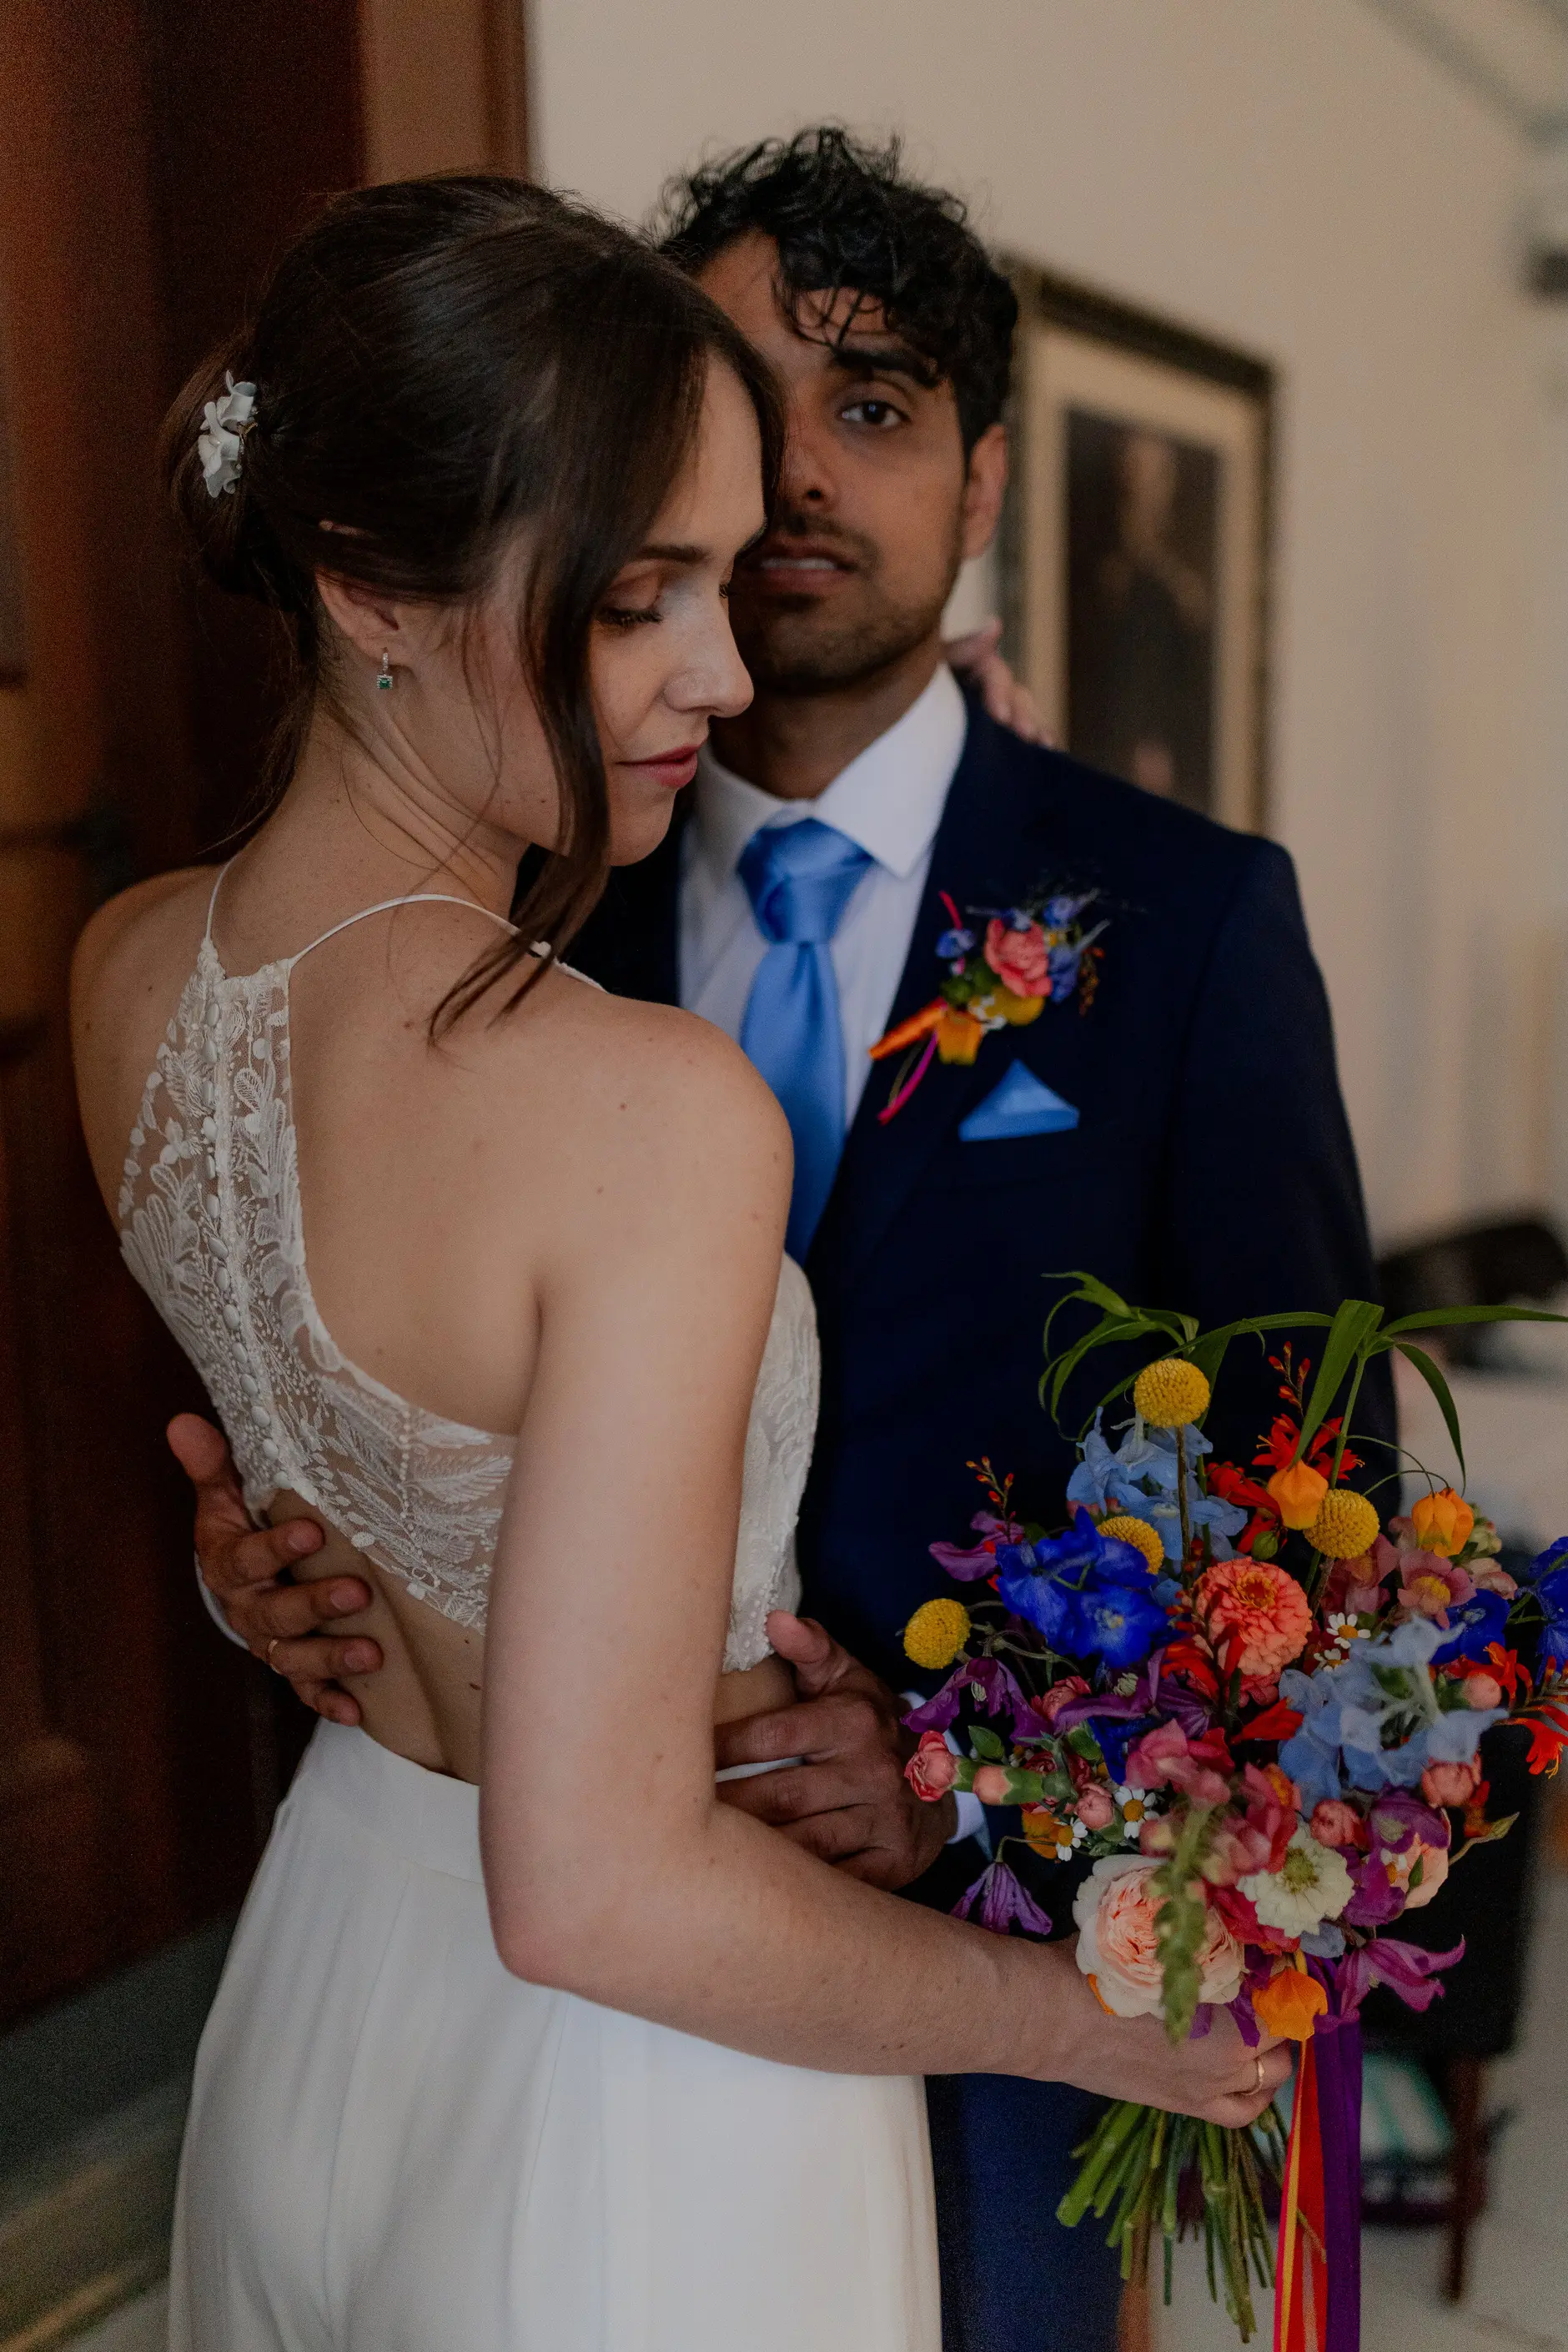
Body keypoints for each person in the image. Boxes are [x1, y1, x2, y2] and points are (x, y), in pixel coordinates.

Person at [73, 174, 1284, 2352]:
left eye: (721, 579)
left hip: (335, 1969)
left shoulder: (123, 971)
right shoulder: (638, 1080)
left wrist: (283, 1540)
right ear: (369, 578)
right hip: (647, 2094)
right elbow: (603, 1870)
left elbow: (1291, 1443)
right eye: (645, 596)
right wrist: (1094, 2019)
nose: (717, 671)